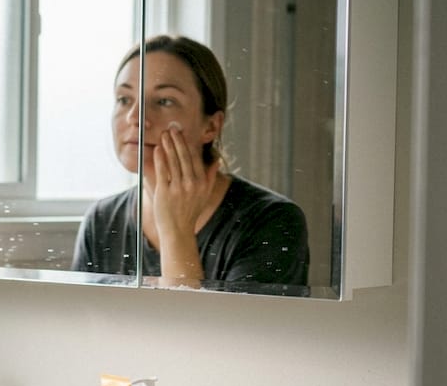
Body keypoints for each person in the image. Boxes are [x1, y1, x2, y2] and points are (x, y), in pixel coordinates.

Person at [71, 35, 309, 294]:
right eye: (124, 99)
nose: (135, 118)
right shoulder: (102, 220)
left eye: (164, 101)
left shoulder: (272, 221)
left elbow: (210, 333)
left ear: (211, 126)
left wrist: (177, 233)